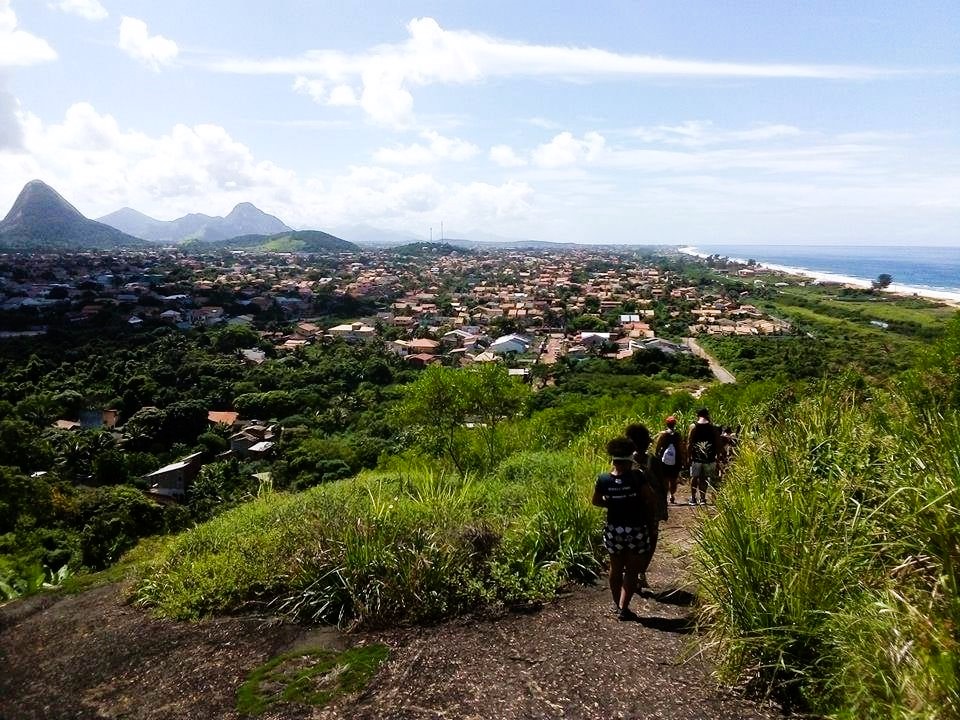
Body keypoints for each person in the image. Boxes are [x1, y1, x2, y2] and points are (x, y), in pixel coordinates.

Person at [592, 436, 658, 621]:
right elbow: (651, 499)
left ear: (613, 460)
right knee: (631, 570)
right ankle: (624, 607)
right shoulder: (637, 476)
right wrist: (651, 522)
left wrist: (614, 502)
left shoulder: (603, 479)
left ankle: (616, 604)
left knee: (616, 567)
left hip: (614, 530)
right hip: (636, 529)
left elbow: (596, 501)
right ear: (630, 461)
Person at [624, 423, 663, 591]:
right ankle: (640, 571)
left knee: (629, 538)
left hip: (629, 506)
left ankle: (630, 570)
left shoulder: (625, 461)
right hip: (651, 507)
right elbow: (662, 485)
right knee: (651, 537)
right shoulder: (652, 460)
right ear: (647, 443)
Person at [686, 408, 721, 505]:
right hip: (709, 457)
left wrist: (688, 456)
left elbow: (689, 443)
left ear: (698, 415)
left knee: (694, 477)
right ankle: (702, 498)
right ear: (707, 415)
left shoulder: (693, 427)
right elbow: (718, 443)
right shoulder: (712, 428)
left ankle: (693, 498)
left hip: (696, 457)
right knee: (704, 478)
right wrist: (718, 456)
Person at [652, 415, 684, 505]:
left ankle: (665, 497)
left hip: (664, 459)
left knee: (665, 479)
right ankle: (672, 495)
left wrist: (656, 455)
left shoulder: (663, 434)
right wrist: (683, 459)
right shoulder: (678, 435)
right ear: (675, 424)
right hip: (676, 459)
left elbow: (658, 446)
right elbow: (681, 448)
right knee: (673, 479)